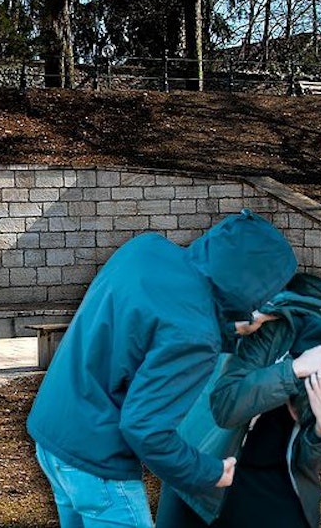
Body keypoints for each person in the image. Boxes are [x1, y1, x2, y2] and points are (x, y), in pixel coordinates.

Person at [26, 209, 299, 528]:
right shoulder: (195, 334)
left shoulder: (145, 248)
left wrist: (233, 329)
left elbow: (157, 325)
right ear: (257, 283)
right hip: (96, 459)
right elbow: (145, 430)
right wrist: (213, 473)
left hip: (52, 434)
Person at [155, 273, 321, 528]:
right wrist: (292, 370)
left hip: (273, 497)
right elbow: (226, 407)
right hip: (200, 473)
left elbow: (317, 460)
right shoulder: (254, 330)